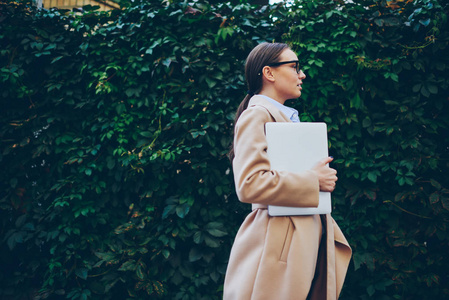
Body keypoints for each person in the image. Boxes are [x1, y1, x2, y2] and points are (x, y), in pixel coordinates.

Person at [223, 42, 352, 300]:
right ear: (269, 73)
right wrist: (313, 180)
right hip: (277, 241)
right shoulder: (257, 116)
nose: (302, 74)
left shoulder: (282, 117)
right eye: (294, 67)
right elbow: (249, 183)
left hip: (295, 239)